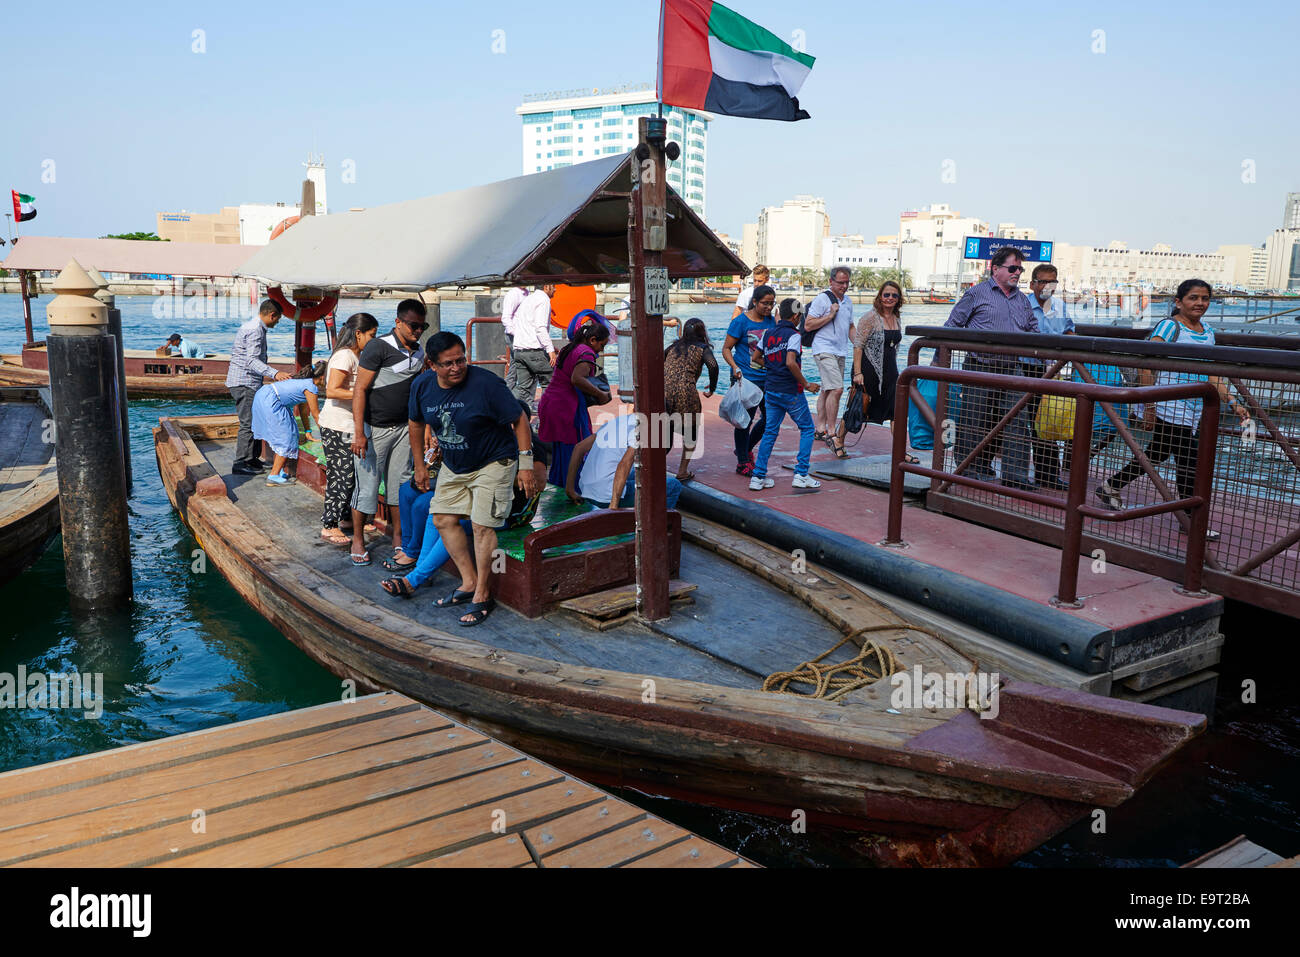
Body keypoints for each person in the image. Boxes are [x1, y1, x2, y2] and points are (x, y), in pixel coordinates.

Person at [1094, 279, 1249, 540]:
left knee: (1158, 453)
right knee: (1190, 461)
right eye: (1193, 298)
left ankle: (1111, 486)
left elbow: (1212, 374)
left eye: (1205, 298)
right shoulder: (1169, 326)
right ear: (1178, 302)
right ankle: (1189, 520)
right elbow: (1146, 364)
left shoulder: (1207, 331)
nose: (1200, 303)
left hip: (1194, 408)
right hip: (1169, 404)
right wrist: (1149, 406)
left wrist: (1233, 402)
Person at [410, 332, 539, 626]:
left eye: (461, 360)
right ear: (432, 365)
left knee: (482, 526)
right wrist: (419, 465)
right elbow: (415, 423)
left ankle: (483, 593)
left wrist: (526, 465)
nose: (457, 367)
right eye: (449, 364)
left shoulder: (486, 384)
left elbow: (519, 419)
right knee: (442, 518)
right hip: (455, 463)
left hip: (495, 459)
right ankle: (468, 581)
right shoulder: (422, 386)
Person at [381, 403, 552, 598]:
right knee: (438, 515)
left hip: (513, 513)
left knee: (458, 526)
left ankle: (414, 579)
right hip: (482, 503)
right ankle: (421, 571)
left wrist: (496, 474)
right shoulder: (496, 439)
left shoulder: (531, 445)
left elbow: (539, 484)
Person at [943, 247, 1039, 490]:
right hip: (979, 366)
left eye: (1020, 269)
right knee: (974, 420)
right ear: (995, 269)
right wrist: (938, 362)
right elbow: (952, 325)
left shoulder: (1022, 300)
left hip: (1012, 368)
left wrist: (1046, 360)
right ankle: (968, 469)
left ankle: (1015, 476)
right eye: (1013, 268)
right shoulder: (976, 294)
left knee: (1018, 421)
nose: (1018, 273)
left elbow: (1033, 330)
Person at [349, 300, 427, 566]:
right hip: (375, 430)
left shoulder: (419, 353)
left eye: (422, 326)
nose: (418, 331)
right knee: (367, 488)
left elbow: (420, 392)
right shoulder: (377, 346)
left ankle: (398, 536)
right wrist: (359, 432)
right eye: (413, 325)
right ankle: (358, 539)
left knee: (400, 486)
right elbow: (360, 389)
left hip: (405, 429)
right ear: (398, 322)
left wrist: (426, 429)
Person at [318, 313, 378, 545]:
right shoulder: (345, 356)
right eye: (371, 335)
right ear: (358, 334)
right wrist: (364, 394)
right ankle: (329, 524)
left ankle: (345, 519)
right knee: (341, 475)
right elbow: (332, 390)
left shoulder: (356, 355)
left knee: (351, 474)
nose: (373, 340)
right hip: (337, 425)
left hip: (348, 424)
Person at [750, 298, 822, 491]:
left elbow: (755, 358)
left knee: (770, 432)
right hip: (790, 391)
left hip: (771, 389)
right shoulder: (794, 335)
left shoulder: (768, 333)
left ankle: (758, 477)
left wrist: (773, 366)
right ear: (796, 316)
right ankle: (801, 474)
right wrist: (806, 384)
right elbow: (791, 362)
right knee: (807, 428)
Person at [838, 280, 910, 460]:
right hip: (867, 371)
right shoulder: (869, 318)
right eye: (887, 294)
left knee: (896, 411)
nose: (890, 298)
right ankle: (839, 440)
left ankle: (900, 452)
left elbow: (893, 347)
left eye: (894, 295)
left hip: (891, 372)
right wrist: (857, 373)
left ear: (899, 298)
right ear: (880, 296)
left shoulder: (896, 317)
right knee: (858, 409)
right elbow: (858, 346)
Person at [538, 318, 612, 487]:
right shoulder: (586, 353)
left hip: (551, 402)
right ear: (593, 340)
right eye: (602, 345)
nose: (602, 350)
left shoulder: (570, 347)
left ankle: (560, 484)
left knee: (560, 452)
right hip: (566, 407)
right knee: (575, 449)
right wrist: (600, 394)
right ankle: (574, 489)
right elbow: (577, 379)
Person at [1023, 265, 1074, 491]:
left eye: (1052, 282)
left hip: (1054, 373)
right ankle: (1015, 473)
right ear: (1033, 283)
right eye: (1042, 281)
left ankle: (1048, 475)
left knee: (1049, 422)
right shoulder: (1021, 305)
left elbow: (1070, 333)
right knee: (1019, 423)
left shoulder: (1060, 306)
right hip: (1024, 369)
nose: (1047, 286)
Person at [227, 299, 291, 476]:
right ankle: (240, 462)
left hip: (247, 381)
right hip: (244, 381)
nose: (277, 322)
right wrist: (275, 373)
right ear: (272, 315)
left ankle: (252, 459)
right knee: (248, 423)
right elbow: (251, 360)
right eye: (278, 318)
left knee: (254, 421)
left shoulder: (254, 326)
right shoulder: (255, 330)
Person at [566, 413, 683, 510]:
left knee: (643, 473)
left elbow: (579, 448)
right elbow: (624, 464)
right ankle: (658, 528)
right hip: (605, 497)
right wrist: (613, 507)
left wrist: (570, 489)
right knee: (674, 485)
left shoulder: (617, 421)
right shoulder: (641, 432)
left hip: (586, 490)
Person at [722, 284, 777, 475]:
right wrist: (735, 368)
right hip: (747, 379)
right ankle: (742, 462)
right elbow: (726, 348)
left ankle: (745, 449)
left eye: (771, 303)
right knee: (744, 420)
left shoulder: (772, 322)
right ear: (754, 302)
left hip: (768, 379)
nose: (768, 307)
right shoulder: (740, 322)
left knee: (770, 419)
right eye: (764, 303)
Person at [251, 362, 325, 486]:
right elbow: (316, 415)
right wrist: (327, 438)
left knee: (287, 434)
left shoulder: (305, 383)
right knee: (285, 438)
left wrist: (307, 432)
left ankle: (278, 472)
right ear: (323, 376)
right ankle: (273, 476)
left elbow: (303, 410)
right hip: (272, 401)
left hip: (265, 395)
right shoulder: (312, 387)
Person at [805, 266, 855, 447]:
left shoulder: (848, 301)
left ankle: (820, 428)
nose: (844, 286)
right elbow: (809, 325)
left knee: (828, 389)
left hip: (841, 350)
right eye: (840, 282)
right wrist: (830, 314)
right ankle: (832, 431)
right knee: (837, 389)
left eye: (847, 282)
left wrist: (858, 345)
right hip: (823, 348)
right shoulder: (822, 299)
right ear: (831, 281)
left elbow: (850, 326)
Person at [663, 318, 718, 481]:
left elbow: (658, 360)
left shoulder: (673, 347)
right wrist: (712, 388)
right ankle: (682, 471)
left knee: (665, 434)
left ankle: (653, 467)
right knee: (691, 432)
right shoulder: (703, 348)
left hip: (664, 391)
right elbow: (713, 365)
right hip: (686, 392)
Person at [511, 283, 557, 413]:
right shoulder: (543, 300)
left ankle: (508, 413)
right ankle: (546, 423)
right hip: (534, 351)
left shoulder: (528, 299)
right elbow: (540, 327)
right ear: (546, 286)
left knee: (523, 388)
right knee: (550, 384)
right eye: (553, 286)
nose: (555, 289)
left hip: (519, 350)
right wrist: (550, 349)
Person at [500, 284, 527, 395]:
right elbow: (506, 317)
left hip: (521, 336)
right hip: (514, 337)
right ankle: (509, 395)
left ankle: (504, 394)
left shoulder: (526, 293)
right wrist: (516, 333)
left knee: (515, 366)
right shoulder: (513, 294)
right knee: (521, 365)